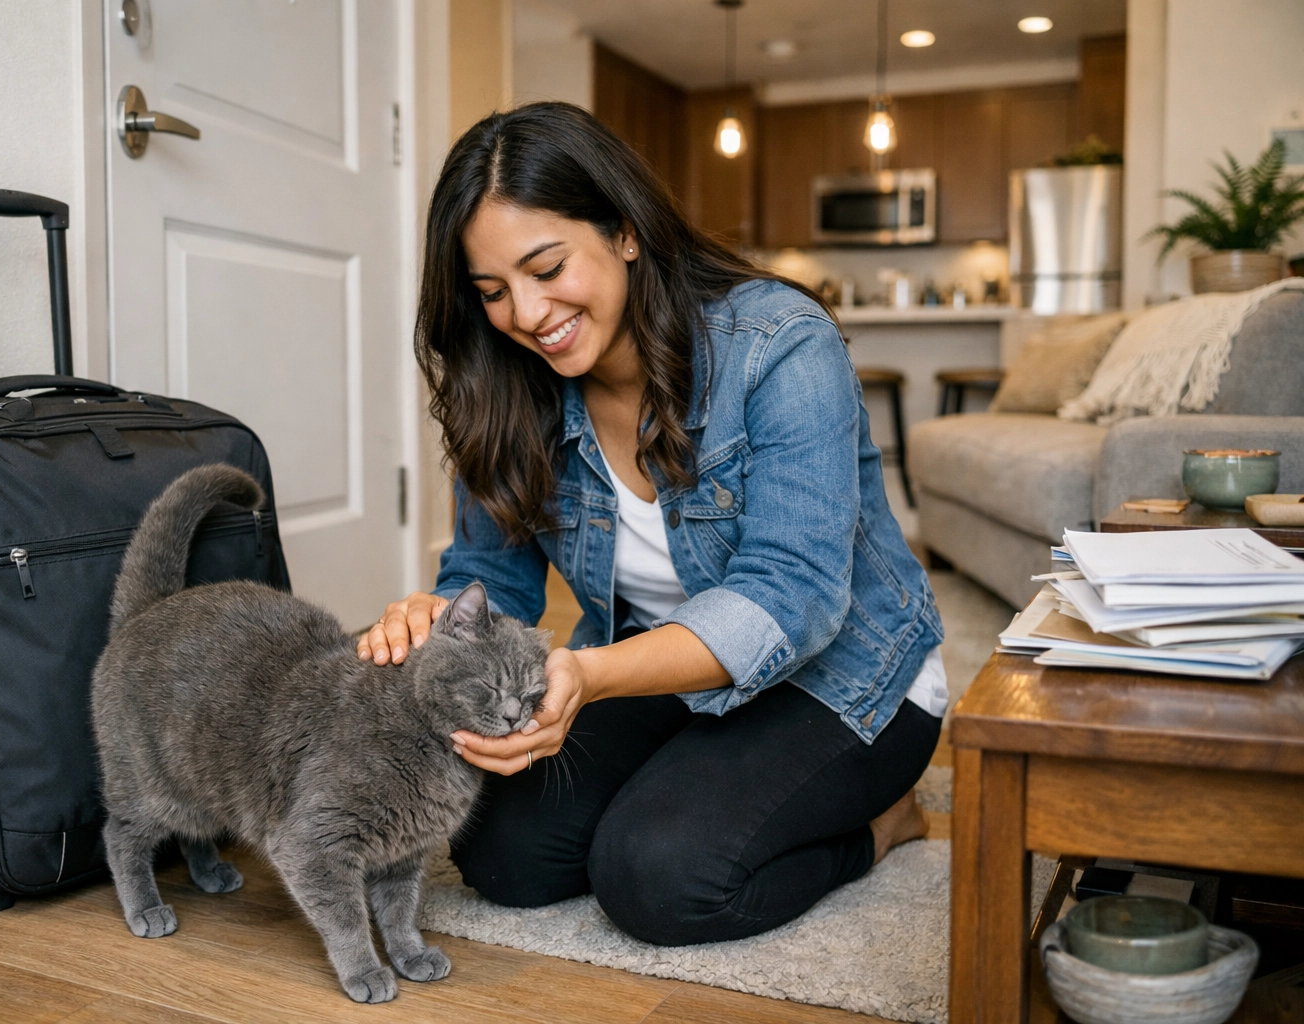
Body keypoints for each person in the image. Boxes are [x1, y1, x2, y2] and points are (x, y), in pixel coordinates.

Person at [357, 102, 946, 946]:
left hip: (847, 676)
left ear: (625, 231)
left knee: (657, 876)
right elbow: (492, 583)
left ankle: (883, 825)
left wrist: (587, 677)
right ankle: (691, 779)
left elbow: (794, 599)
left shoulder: (779, 345)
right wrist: (433, 620)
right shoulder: (510, 386)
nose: (526, 313)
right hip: (663, 665)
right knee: (502, 856)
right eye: (492, 291)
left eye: (547, 267)